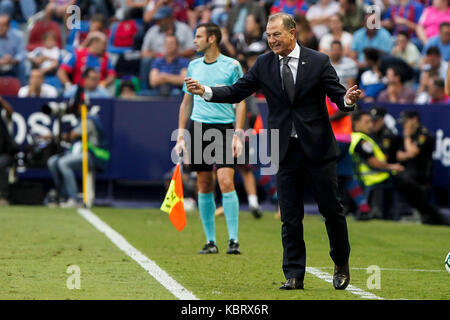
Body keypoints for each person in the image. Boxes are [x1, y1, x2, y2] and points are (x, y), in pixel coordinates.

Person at [185, 13, 363, 291]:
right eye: (268, 35)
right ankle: (294, 274)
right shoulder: (264, 64)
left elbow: (337, 96)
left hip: (317, 148)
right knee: (290, 215)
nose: (271, 40)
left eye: (276, 34)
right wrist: (205, 90)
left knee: (332, 210)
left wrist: (348, 100)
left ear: (293, 33)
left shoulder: (318, 61)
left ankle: (341, 263)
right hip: (283, 149)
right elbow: (236, 91)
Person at [174, 22, 246, 255]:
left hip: (224, 128)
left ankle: (233, 240)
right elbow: (186, 103)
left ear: (212, 38)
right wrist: (182, 134)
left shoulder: (232, 65)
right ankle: (211, 241)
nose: (194, 41)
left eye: (198, 36)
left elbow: (241, 102)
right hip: (199, 127)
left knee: (226, 181)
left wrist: (237, 133)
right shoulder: (193, 65)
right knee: (204, 184)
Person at [47, 106, 110, 208]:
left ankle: (74, 199)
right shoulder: (80, 120)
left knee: (63, 163)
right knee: (52, 161)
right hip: (79, 153)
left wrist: (50, 136)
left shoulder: (88, 120)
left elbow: (71, 136)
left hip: (93, 156)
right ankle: (63, 195)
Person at [394, 110, 449, 225]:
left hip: (421, 174)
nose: (404, 125)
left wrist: (407, 138)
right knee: (400, 179)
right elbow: (399, 155)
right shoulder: (408, 135)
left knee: (408, 184)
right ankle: (428, 216)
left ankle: (435, 217)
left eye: (406, 121)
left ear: (414, 120)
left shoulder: (424, 134)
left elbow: (413, 152)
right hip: (408, 173)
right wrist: (408, 152)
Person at [349, 111, 405, 220]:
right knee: (404, 178)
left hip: (364, 176)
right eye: (367, 122)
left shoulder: (353, 137)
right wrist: (392, 167)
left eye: (371, 121)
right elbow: (374, 162)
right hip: (373, 176)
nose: (370, 125)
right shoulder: (362, 140)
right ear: (356, 123)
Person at [0, 96, 17, 205]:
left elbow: (10, 112)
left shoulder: (3, 116)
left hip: (5, 153)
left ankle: (4, 197)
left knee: (0, 164)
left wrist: (1, 101)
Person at [0, 14, 26, 84]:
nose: (0, 27)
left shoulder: (17, 36)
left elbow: (22, 53)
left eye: (2, 25)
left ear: (8, 26)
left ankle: (22, 91)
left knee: (21, 67)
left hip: (13, 64)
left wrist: (13, 60)